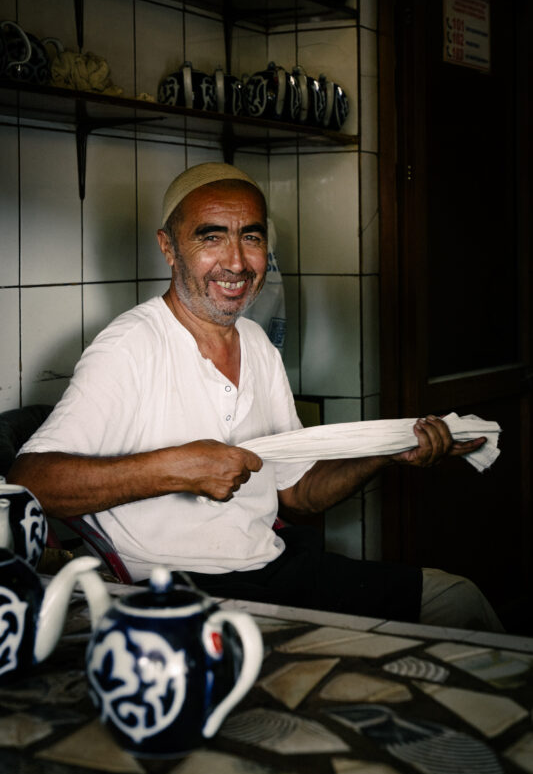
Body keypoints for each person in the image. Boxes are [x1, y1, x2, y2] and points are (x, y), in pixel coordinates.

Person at [8, 162, 503, 632]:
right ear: (168, 247)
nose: (237, 262)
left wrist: (386, 453)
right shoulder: (131, 346)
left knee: (456, 602)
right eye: (211, 237)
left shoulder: (257, 344)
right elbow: (31, 483)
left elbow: (298, 492)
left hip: (274, 567)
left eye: (252, 237)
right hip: (177, 588)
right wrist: (178, 469)